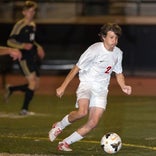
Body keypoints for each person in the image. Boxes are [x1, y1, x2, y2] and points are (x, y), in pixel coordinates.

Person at [49, 23, 132, 151]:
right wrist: (63, 86)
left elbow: (119, 72)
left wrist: (123, 85)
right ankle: (59, 125)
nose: (114, 41)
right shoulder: (94, 50)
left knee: (93, 123)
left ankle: (65, 143)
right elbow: (76, 68)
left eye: (116, 38)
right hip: (87, 84)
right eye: (111, 37)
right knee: (82, 112)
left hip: (102, 89)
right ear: (103, 37)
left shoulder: (118, 53)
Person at [5, 1, 45, 115]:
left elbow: (31, 41)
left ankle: (11, 89)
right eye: (29, 11)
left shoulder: (32, 24)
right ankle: (24, 109)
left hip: (32, 57)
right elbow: (10, 41)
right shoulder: (19, 25)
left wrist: (38, 47)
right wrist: (22, 46)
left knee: (35, 85)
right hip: (23, 57)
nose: (32, 13)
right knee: (32, 83)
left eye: (33, 11)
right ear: (24, 12)